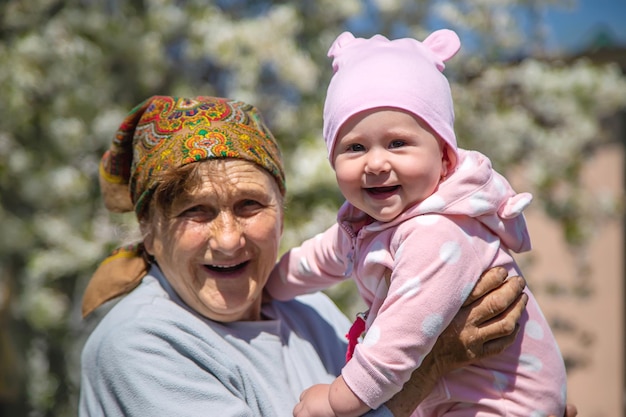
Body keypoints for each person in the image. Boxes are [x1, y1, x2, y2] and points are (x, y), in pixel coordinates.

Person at [78, 95, 575, 417]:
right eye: (196, 212)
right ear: (149, 230)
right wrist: (432, 364)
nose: (228, 239)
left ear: (282, 210)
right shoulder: (138, 344)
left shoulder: (305, 311)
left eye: (250, 205)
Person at [264, 30, 567, 417]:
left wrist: (338, 400)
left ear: (444, 158)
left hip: (504, 404)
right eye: (355, 147)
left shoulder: (440, 231)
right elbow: (318, 258)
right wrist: (265, 289)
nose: (375, 163)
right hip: (450, 397)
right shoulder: (365, 223)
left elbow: (399, 339)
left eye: (397, 144)